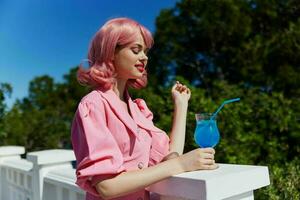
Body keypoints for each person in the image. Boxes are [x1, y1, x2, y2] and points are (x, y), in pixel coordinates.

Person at [71, 17, 218, 200]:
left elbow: (171, 156)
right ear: (110, 52)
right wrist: (180, 165)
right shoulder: (93, 106)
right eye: (136, 50)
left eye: (145, 51)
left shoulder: (138, 109)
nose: (145, 57)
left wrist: (181, 105)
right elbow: (107, 186)